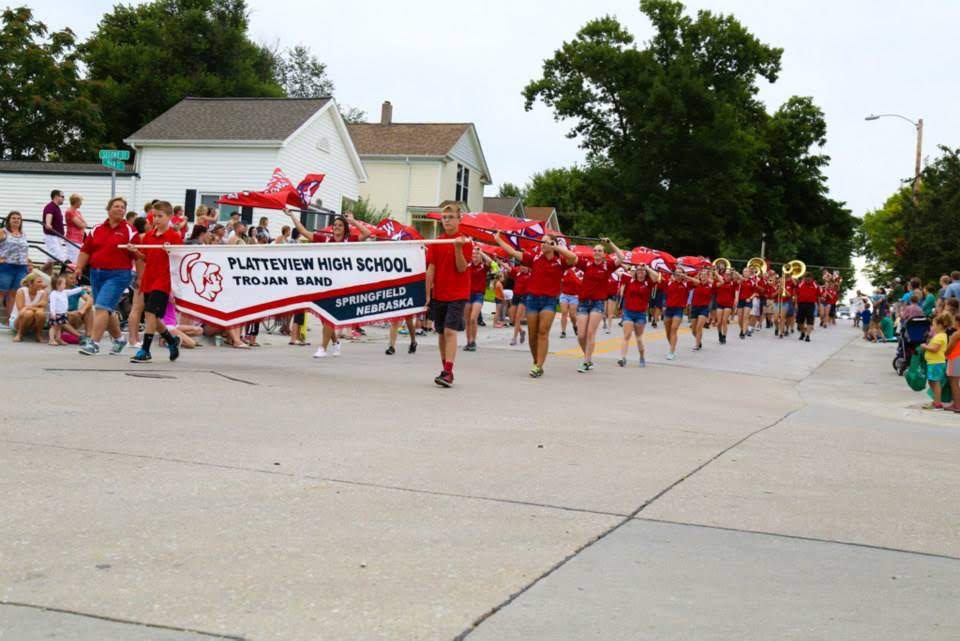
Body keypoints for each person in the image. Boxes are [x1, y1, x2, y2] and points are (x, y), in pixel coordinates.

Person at [285, 210, 371, 358]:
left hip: (342, 285)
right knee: (325, 318)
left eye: (339, 225)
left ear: (345, 228)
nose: (336, 227)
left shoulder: (349, 241)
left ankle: (322, 348)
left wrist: (352, 220)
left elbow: (367, 233)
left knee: (330, 316)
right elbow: (303, 232)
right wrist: (292, 216)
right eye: (335, 225)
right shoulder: (325, 240)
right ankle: (336, 342)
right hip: (325, 283)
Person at [494, 231, 577, 377]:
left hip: (549, 301)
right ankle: (536, 362)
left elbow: (573, 257)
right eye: (542, 242)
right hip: (532, 299)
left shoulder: (560, 261)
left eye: (546, 242)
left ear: (553, 244)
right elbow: (513, 252)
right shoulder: (535, 258)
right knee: (533, 334)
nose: (543, 244)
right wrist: (498, 240)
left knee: (543, 332)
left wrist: (557, 248)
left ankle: (539, 365)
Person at [76, 197, 136, 356]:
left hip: (119, 274)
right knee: (106, 309)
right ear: (109, 209)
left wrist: (141, 277)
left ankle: (94, 343)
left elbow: (138, 255)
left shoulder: (130, 230)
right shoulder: (97, 229)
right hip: (96, 272)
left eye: (123, 207)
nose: (120, 209)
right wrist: (79, 267)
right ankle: (119, 339)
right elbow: (86, 250)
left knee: (101, 306)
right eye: (116, 206)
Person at [128, 202, 182, 363]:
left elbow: (180, 259)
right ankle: (172, 341)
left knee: (150, 313)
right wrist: (135, 251)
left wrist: (171, 251)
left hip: (163, 280)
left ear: (169, 217)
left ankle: (145, 350)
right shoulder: (150, 236)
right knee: (154, 317)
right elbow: (145, 257)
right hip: (149, 279)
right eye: (154, 216)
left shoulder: (174, 237)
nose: (156, 219)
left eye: (160, 216)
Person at [425, 203, 471, 387]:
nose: (447, 221)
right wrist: (428, 293)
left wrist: (458, 248)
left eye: (451, 217)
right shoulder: (437, 242)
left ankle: (449, 371)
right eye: (444, 217)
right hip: (440, 293)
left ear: (459, 219)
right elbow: (431, 268)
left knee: (451, 331)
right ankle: (445, 369)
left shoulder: (465, 242)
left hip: (458, 293)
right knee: (441, 333)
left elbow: (461, 267)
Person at [575, 239, 625, 372]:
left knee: (591, 333)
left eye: (600, 251)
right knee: (581, 335)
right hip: (583, 302)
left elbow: (621, 257)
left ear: (604, 254)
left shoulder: (607, 265)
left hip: (597, 303)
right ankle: (588, 357)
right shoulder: (587, 263)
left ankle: (586, 362)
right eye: (595, 250)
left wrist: (610, 243)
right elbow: (572, 258)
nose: (597, 252)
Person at [617, 264, 660, 367]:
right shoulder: (629, 279)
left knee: (639, 338)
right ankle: (622, 358)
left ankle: (641, 356)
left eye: (642, 270)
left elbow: (656, 277)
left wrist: (647, 268)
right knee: (626, 335)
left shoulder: (648, 283)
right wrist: (629, 268)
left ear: (645, 273)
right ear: (635, 272)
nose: (640, 272)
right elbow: (618, 271)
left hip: (640, 314)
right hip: (628, 312)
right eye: (638, 270)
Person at [0, 211, 31, 323]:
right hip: (6, 267)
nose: (16, 220)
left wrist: (28, 263)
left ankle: (10, 319)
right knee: (2, 292)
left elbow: (24, 250)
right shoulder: (3, 232)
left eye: (18, 218)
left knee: (14, 293)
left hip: (21, 267)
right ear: (8, 220)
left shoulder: (23, 234)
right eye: (13, 218)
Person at [463, 247, 495, 351]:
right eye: (473, 255)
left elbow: (491, 262)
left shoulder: (483, 266)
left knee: (473, 319)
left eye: (476, 255)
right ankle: (468, 341)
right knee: (467, 320)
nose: (474, 257)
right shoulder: (468, 266)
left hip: (479, 295)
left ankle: (473, 341)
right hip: (468, 294)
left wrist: (480, 251)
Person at [662, 268, 698, 360]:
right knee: (668, 332)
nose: (678, 274)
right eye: (676, 273)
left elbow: (697, 282)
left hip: (679, 309)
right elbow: (658, 279)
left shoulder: (686, 284)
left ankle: (671, 351)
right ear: (674, 274)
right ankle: (672, 347)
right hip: (668, 309)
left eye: (680, 273)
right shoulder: (669, 282)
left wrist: (686, 276)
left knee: (674, 329)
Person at [920, 312, 952, 410]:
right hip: (933, 362)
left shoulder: (940, 336)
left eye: (933, 325)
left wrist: (925, 346)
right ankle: (936, 400)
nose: (932, 327)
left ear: (940, 325)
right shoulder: (940, 335)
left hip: (936, 363)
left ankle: (937, 403)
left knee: (936, 382)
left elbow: (935, 349)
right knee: (931, 381)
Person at [47, 274, 86, 346]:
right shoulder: (54, 294)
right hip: (56, 314)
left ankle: (58, 339)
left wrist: (81, 288)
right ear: (57, 285)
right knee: (54, 327)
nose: (65, 285)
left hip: (62, 313)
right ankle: (51, 339)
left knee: (59, 327)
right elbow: (52, 304)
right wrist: (53, 313)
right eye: (63, 284)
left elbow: (73, 291)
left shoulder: (64, 292)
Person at [9, 272, 48, 342]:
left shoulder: (43, 293)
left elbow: (41, 310)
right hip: (17, 321)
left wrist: (28, 307)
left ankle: (38, 335)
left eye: (42, 282)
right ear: (30, 283)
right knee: (29, 313)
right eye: (39, 282)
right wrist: (37, 307)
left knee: (41, 314)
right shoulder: (21, 291)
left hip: (32, 322)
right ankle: (19, 334)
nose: (42, 284)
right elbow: (21, 311)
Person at [689, 269, 717, 351]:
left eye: (705, 275)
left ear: (708, 276)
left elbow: (721, 282)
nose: (703, 276)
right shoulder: (696, 283)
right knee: (693, 330)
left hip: (704, 308)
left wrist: (713, 274)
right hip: (694, 307)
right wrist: (697, 273)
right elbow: (688, 279)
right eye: (702, 275)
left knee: (699, 327)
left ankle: (697, 345)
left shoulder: (711, 285)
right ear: (699, 276)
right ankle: (699, 340)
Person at [714, 268, 740, 344]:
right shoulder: (720, 282)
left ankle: (724, 336)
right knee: (719, 322)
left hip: (728, 304)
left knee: (724, 321)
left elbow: (741, 279)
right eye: (726, 274)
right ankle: (719, 334)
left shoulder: (733, 283)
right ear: (723, 275)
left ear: (731, 276)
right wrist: (716, 273)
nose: (727, 276)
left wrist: (735, 272)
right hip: (719, 303)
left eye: (729, 275)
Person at [42, 189, 67, 269]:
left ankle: (40, 274)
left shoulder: (56, 207)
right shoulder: (51, 206)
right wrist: (48, 223)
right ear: (56, 197)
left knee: (51, 260)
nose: (63, 198)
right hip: (51, 236)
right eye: (62, 196)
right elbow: (49, 216)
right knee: (61, 258)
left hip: (56, 236)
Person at [795, 272, 820, 343]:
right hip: (801, 304)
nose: (808, 279)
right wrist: (796, 304)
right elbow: (796, 295)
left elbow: (818, 296)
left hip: (811, 304)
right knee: (800, 321)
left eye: (809, 278)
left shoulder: (815, 285)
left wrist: (818, 306)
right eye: (806, 278)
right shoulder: (800, 284)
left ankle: (808, 336)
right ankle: (802, 332)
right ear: (804, 278)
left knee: (810, 320)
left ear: (811, 278)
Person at [64, 194, 87, 263]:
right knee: (73, 259)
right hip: (72, 239)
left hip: (79, 239)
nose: (81, 203)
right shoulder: (69, 212)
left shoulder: (78, 212)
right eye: (80, 202)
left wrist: (83, 224)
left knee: (77, 259)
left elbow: (84, 223)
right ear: (76, 202)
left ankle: (70, 272)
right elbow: (80, 225)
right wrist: (83, 224)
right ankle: (68, 273)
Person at [509, 264, 529, 346]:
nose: (523, 268)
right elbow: (508, 268)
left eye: (525, 266)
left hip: (524, 297)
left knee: (518, 317)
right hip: (516, 296)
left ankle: (514, 338)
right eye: (522, 266)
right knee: (512, 319)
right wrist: (499, 261)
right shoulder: (518, 273)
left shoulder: (531, 275)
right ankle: (521, 331)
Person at [559, 266, 581, 338]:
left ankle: (575, 326)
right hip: (564, 294)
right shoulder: (564, 269)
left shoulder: (579, 270)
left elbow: (581, 282)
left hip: (574, 296)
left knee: (572, 315)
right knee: (564, 312)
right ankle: (563, 332)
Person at [944, 314, 960, 413]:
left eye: (954, 321)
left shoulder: (956, 334)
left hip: (955, 358)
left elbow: (949, 349)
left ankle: (957, 405)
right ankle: (956, 403)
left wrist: (944, 354)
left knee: (954, 383)